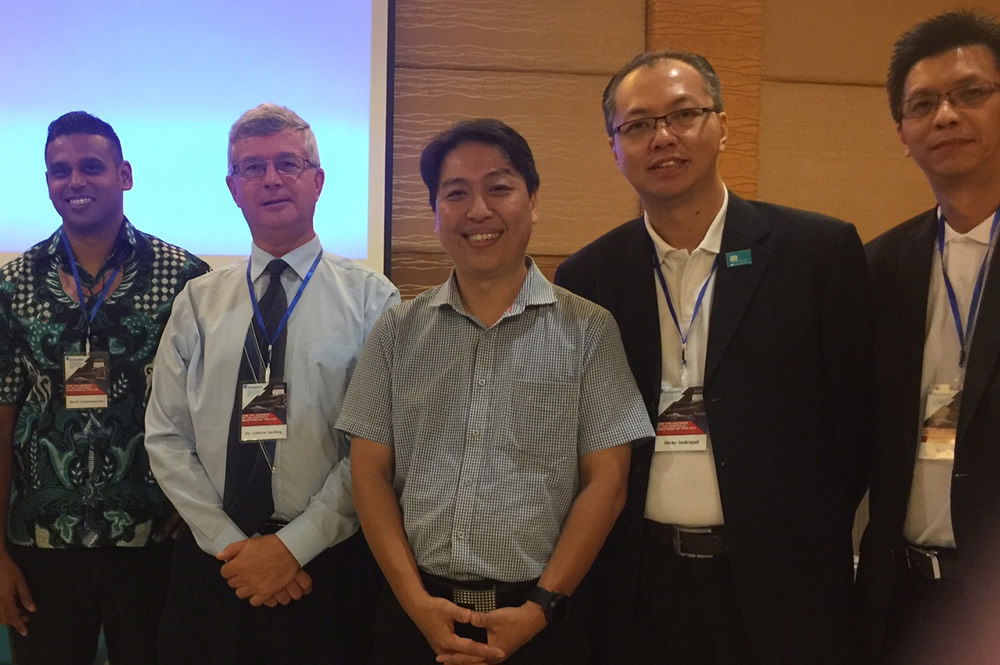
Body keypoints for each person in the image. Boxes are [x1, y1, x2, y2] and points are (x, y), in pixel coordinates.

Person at [555, 51, 870, 665]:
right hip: (639, 588)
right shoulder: (590, 275)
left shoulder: (816, 253)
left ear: (722, 125)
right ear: (614, 146)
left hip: (783, 586)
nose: (663, 138)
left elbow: (856, 424)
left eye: (684, 115)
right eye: (638, 125)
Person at [336, 118, 652, 664]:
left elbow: (608, 482)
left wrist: (539, 609)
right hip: (414, 620)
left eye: (499, 188)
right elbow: (369, 474)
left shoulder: (590, 329)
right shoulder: (397, 330)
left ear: (532, 201)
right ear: (436, 212)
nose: (478, 210)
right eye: (455, 193)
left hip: (544, 621)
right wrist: (415, 602)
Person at [144, 103, 399, 664]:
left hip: (328, 564)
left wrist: (293, 547)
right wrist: (234, 547)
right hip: (215, 564)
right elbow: (165, 437)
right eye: (252, 168)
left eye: (288, 162)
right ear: (233, 188)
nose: (271, 179)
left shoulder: (372, 299)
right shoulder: (198, 301)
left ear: (318, 179)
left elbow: (375, 447)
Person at [0, 111, 209, 664]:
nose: (74, 182)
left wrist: (200, 509)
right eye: (58, 171)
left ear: (125, 174)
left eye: (91, 167)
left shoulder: (186, 279)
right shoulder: (13, 286)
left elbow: (208, 410)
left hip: (155, 537)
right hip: (42, 540)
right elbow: (1, 418)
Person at [854, 10, 1000, 664]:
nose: (945, 116)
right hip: (899, 596)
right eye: (923, 104)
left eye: (971, 94)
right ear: (902, 133)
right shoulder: (877, 266)